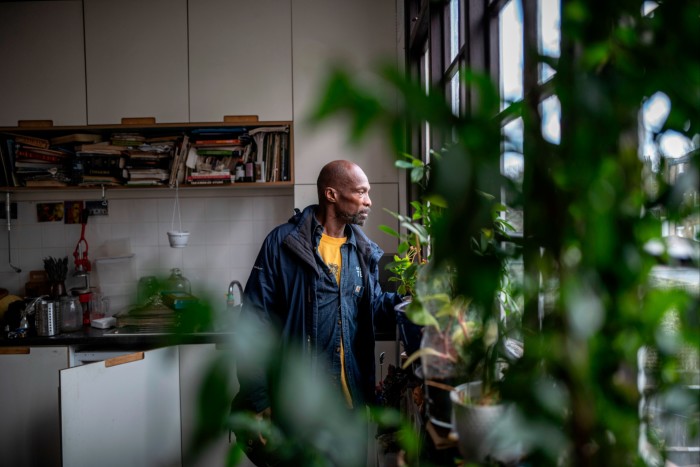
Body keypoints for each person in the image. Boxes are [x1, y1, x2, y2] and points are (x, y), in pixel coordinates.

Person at [232, 159, 403, 465]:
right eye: (361, 192)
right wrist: (259, 400)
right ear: (332, 195)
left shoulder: (361, 252)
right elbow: (252, 325)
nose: (368, 201)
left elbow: (373, 306)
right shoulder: (282, 244)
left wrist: (410, 304)